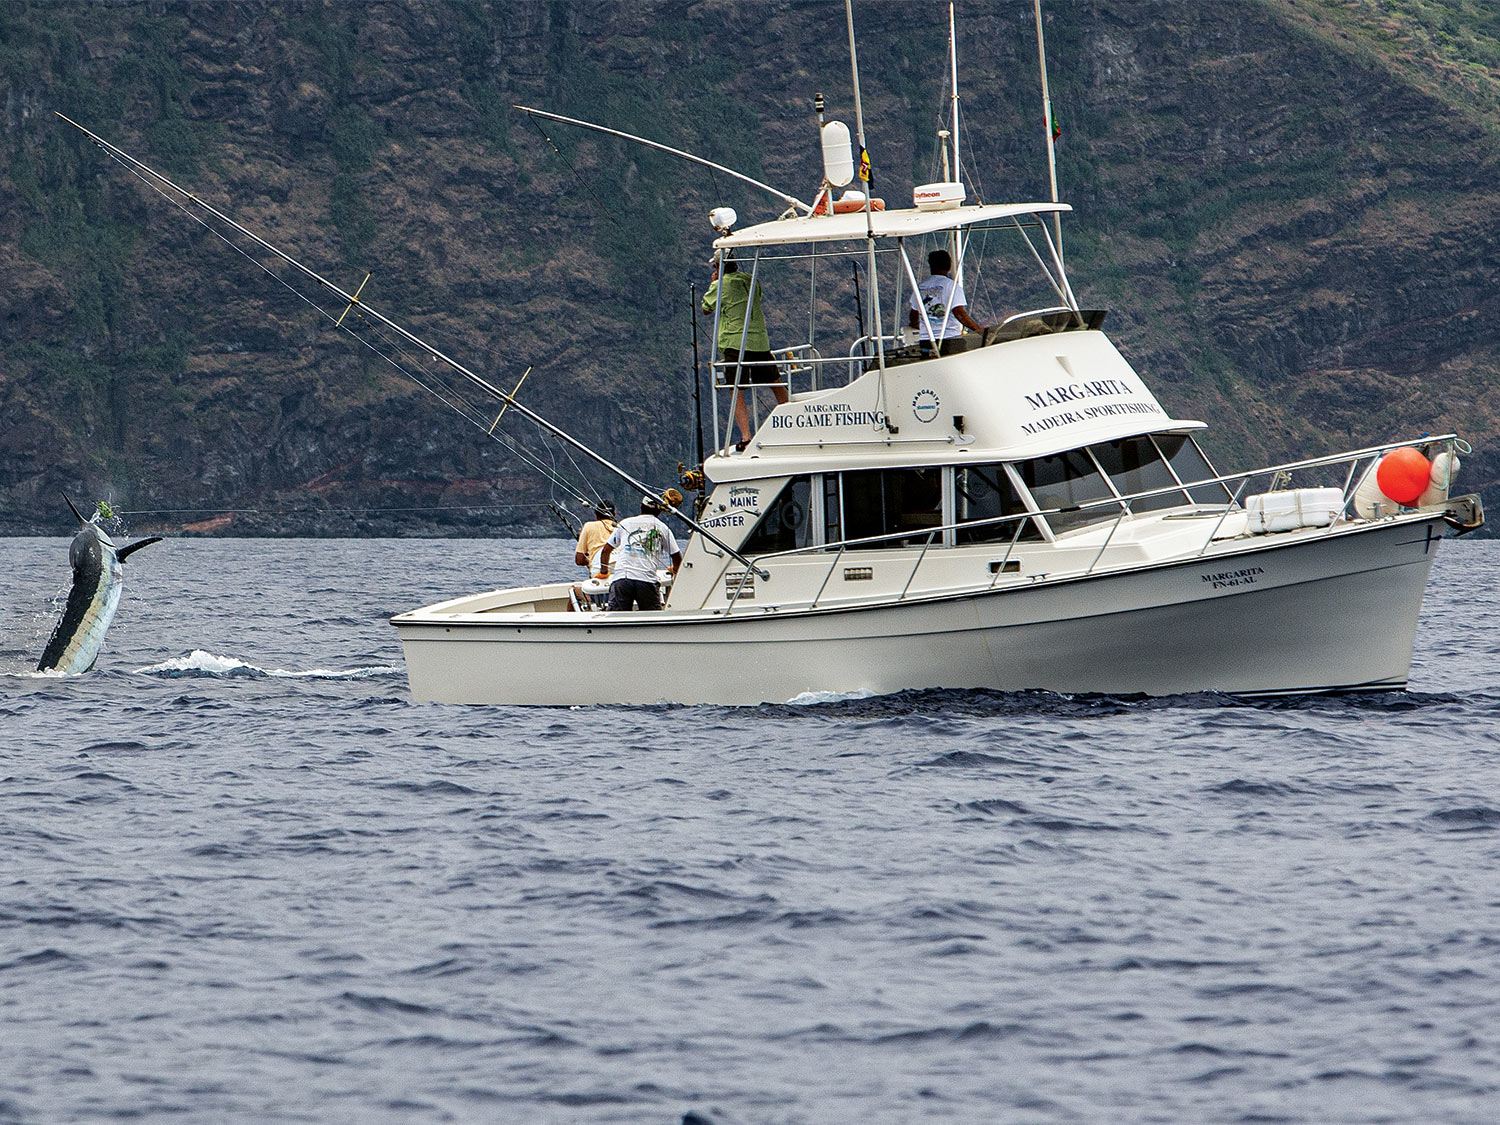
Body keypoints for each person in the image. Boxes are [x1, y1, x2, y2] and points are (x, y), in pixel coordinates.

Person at [701, 254, 789, 449]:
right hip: (758, 340)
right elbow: (757, 297)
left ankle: (746, 437)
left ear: (717, 266)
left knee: (736, 389)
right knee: (775, 382)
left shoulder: (719, 285)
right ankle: (792, 421)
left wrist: (715, 283)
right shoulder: (751, 280)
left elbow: (706, 308)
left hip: (734, 342)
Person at [598, 497, 683, 611]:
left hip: (622, 578)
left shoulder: (625, 523)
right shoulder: (663, 528)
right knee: (652, 620)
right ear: (659, 511)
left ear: (641, 507)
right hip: (647, 581)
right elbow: (676, 556)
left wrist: (604, 572)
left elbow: (606, 551)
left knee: (616, 618)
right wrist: (676, 569)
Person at [908, 248, 983, 354]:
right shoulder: (951, 286)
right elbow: (959, 313)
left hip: (926, 341)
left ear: (931, 266)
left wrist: (920, 324)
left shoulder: (920, 288)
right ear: (949, 265)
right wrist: (978, 330)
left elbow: (914, 315)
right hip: (950, 339)